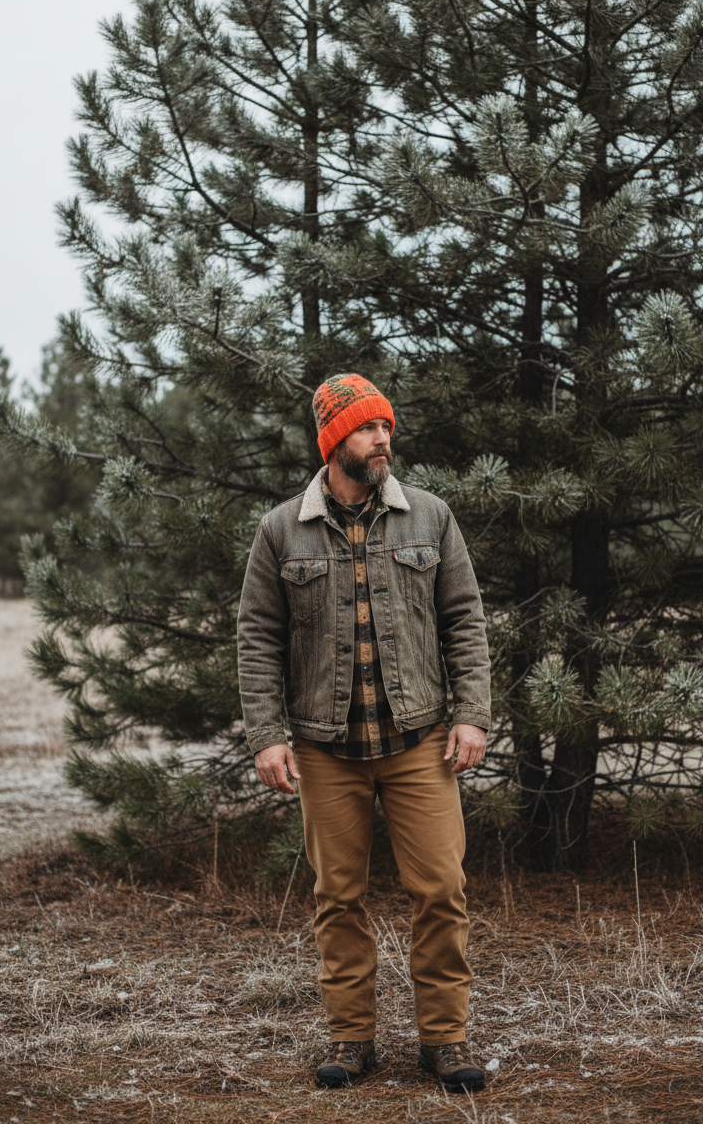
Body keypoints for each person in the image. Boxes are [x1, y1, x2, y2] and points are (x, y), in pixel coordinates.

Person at [237, 373, 491, 1093]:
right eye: (368, 428)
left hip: (419, 741)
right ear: (333, 441)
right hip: (325, 751)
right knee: (338, 897)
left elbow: (465, 621)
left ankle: (444, 1040)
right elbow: (258, 638)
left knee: (441, 890)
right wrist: (267, 734)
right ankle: (352, 1039)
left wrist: (472, 713)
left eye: (387, 427)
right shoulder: (281, 529)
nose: (383, 440)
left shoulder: (430, 517)